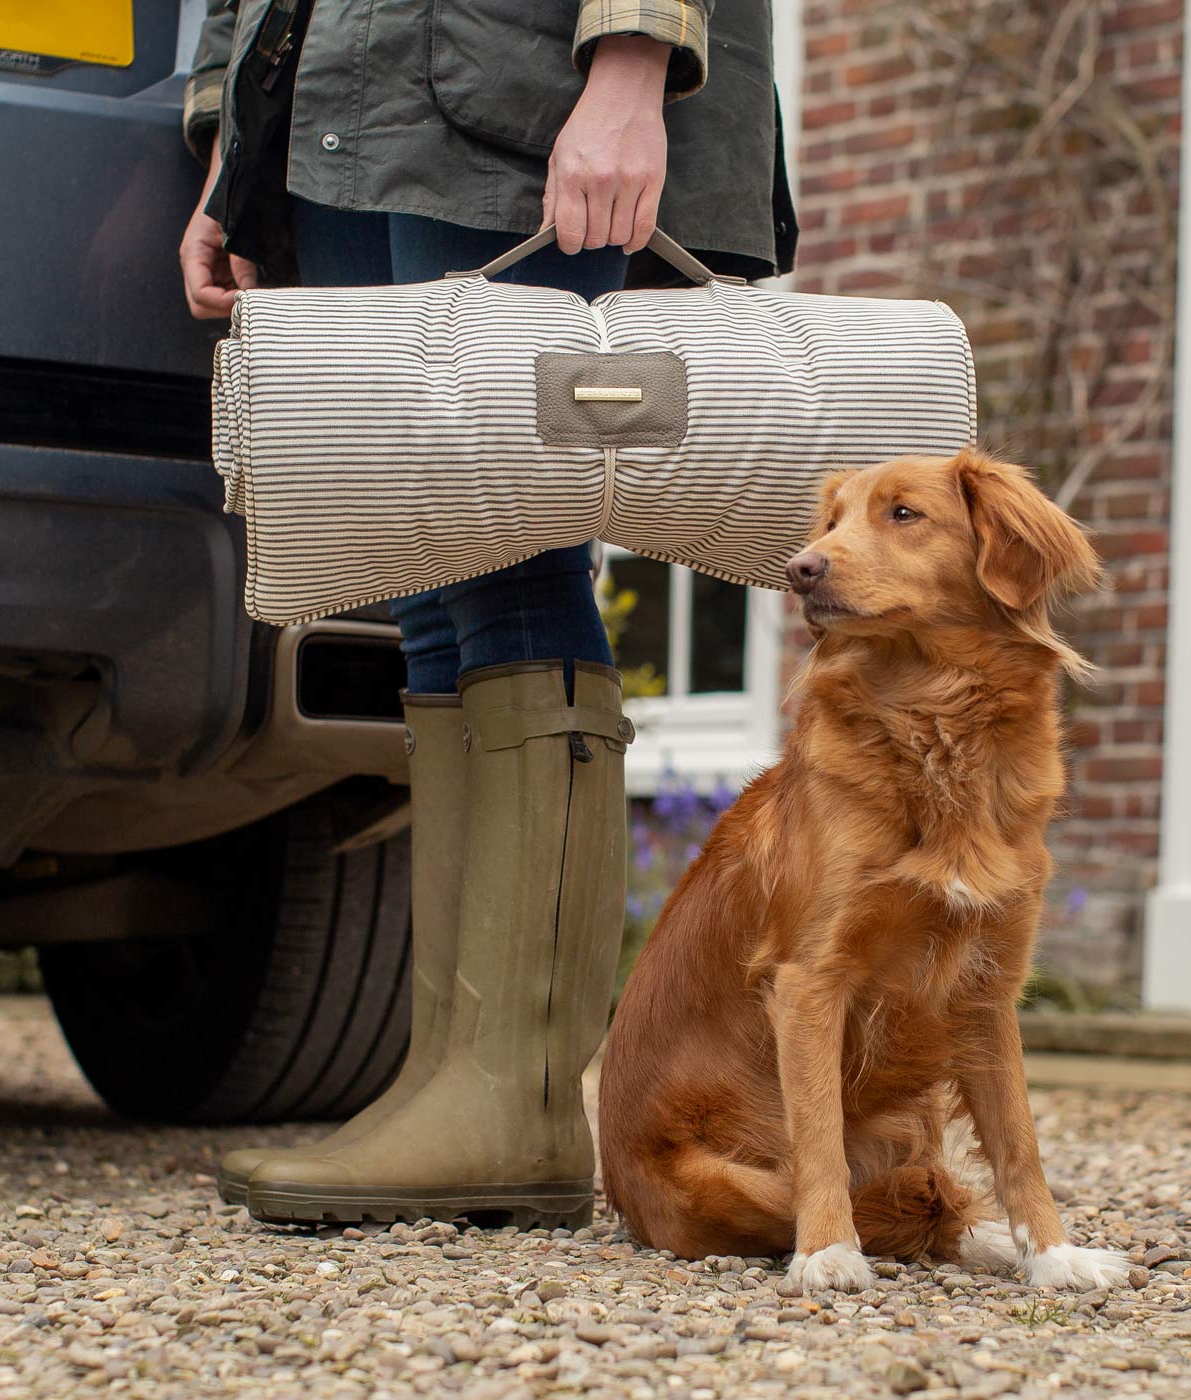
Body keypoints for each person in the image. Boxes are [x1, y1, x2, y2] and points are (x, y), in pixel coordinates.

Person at [178, 0, 795, 1228]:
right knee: (425, 558)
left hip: (518, 81)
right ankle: (449, 1074)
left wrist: (632, 56)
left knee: (512, 536)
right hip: (345, 101)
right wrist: (234, 146)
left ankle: (515, 1095)